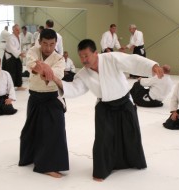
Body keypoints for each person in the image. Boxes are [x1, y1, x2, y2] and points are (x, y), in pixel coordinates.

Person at [51, 39, 164, 181]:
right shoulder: (83, 74)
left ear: (95, 53)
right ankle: (102, 170)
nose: (83, 59)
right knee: (103, 140)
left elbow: (132, 61)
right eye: (81, 56)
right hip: (104, 107)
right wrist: (55, 79)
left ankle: (132, 162)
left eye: (86, 55)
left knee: (131, 135)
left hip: (124, 103)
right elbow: (75, 89)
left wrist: (152, 66)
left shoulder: (111, 58)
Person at [18, 29, 69, 178]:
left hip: (52, 98)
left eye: (51, 44)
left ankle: (49, 165)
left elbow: (56, 75)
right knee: (31, 131)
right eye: (45, 44)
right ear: (39, 42)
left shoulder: (59, 58)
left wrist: (42, 69)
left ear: (56, 44)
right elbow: (31, 64)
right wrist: (43, 69)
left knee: (55, 130)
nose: (48, 48)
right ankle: (33, 157)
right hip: (35, 97)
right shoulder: (33, 51)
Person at [2, 24, 26, 91]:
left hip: (15, 55)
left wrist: (20, 53)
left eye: (19, 30)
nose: (18, 31)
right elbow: (12, 48)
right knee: (11, 71)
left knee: (19, 68)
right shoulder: (10, 37)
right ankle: (9, 87)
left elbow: (18, 47)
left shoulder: (19, 36)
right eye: (16, 30)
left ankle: (19, 85)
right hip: (9, 56)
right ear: (13, 30)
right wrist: (19, 53)